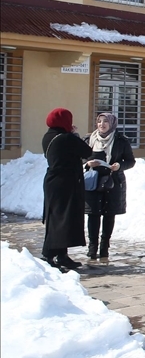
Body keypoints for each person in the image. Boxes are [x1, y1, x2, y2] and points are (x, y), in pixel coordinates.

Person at [41, 108, 94, 270]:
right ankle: (48, 254)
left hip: (54, 182)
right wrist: (74, 135)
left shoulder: (48, 136)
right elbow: (87, 151)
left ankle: (62, 255)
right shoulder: (66, 138)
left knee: (58, 217)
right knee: (62, 220)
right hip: (65, 184)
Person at [84, 112, 136, 262]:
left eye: (105, 121)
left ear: (112, 123)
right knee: (93, 214)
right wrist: (87, 164)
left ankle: (104, 248)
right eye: (99, 121)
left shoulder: (121, 140)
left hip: (112, 182)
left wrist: (119, 165)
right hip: (93, 181)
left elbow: (131, 161)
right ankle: (92, 249)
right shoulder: (89, 139)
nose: (102, 124)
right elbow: (81, 157)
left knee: (109, 214)